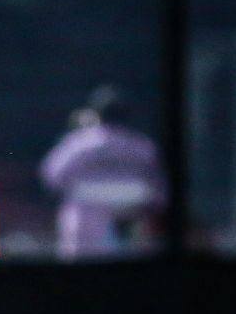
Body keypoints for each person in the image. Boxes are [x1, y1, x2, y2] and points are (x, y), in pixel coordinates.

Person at [39, 85, 166, 260]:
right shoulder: (143, 147)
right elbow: (159, 190)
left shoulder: (80, 143)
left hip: (86, 220)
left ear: (97, 112)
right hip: (130, 219)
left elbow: (52, 175)